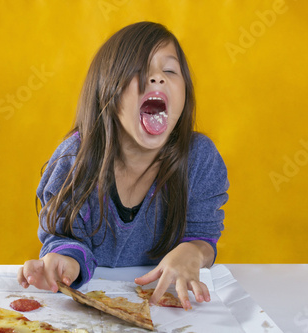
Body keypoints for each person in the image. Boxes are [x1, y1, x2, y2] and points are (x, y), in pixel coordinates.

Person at [17, 21, 229, 311]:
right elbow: (63, 238)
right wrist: (65, 262)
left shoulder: (200, 159)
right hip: (87, 308)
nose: (156, 79)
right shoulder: (74, 159)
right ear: (108, 92)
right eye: (139, 71)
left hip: (166, 308)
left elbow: (203, 237)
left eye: (169, 70)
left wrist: (192, 251)